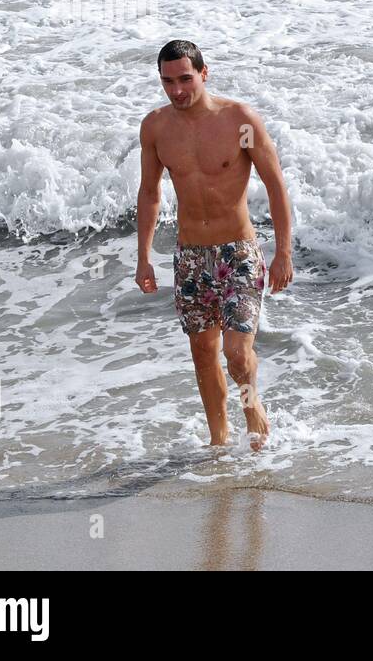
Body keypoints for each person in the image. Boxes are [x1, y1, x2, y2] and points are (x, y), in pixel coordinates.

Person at [135, 40, 294, 450]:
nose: (177, 91)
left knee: (237, 355)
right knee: (204, 356)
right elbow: (150, 194)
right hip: (190, 257)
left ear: (204, 74)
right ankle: (219, 444)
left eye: (185, 79)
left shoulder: (239, 120)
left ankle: (252, 411)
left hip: (237, 252)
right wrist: (144, 259)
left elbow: (275, 186)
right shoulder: (155, 127)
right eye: (168, 82)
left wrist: (283, 253)